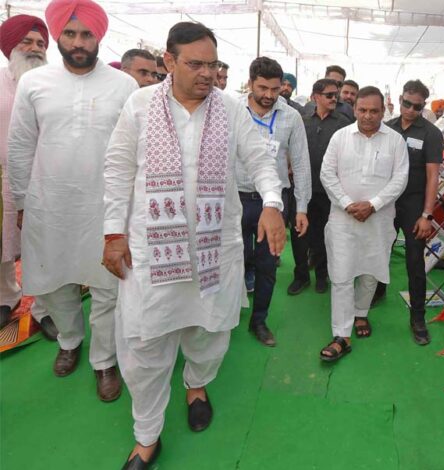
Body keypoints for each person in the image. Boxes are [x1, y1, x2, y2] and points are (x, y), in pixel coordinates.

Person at [102, 22, 285, 468]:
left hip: (214, 252)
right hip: (151, 252)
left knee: (209, 332)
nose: (207, 73)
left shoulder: (230, 109)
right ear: (169, 61)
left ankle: (196, 384)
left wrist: (272, 203)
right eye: (195, 64)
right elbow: (118, 168)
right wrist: (113, 233)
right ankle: (147, 435)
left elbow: (260, 160)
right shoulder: (140, 104)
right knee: (145, 345)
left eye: (213, 64)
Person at [7, 0, 137, 401]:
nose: (78, 42)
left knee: (108, 285)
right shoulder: (34, 83)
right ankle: (69, 340)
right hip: (49, 203)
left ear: (99, 37)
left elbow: (135, 151)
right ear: (58, 35)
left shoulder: (124, 86)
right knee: (54, 279)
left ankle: (104, 360)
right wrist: (23, 201)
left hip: (106, 207)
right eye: (70, 33)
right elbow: (20, 145)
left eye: (86, 34)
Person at [318, 86, 408, 362]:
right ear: (354, 109)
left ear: (383, 112)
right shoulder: (340, 137)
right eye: (363, 110)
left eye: (374, 111)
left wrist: (374, 204)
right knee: (342, 274)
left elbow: (400, 178)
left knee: (371, 271)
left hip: (378, 220)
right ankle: (341, 335)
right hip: (342, 219)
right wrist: (347, 203)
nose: (368, 116)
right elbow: (327, 174)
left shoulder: (395, 140)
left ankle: (361, 314)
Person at [238, 56, 310, 346]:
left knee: (267, 265)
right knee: (233, 260)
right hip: (235, 199)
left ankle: (259, 321)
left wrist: (301, 208)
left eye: (275, 89)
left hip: (273, 204)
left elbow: (301, 164)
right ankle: (225, 315)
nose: (269, 95)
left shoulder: (291, 117)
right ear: (250, 83)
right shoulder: (233, 111)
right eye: (262, 88)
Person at [373, 79, 443, 345]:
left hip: (414, 204)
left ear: (424, 106)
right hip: (386, 201)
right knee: (380, 250)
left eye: (417, 106)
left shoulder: (431, 133)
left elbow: (433, 176)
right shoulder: (387, 127)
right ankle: (377, 291)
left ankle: (418, 318)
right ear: (400, 99)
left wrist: (427, 215)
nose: (410, 110)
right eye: (406, 103)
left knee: (415, 261)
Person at [0, 14, 56, 337]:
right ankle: (5, 297)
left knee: (43, 245)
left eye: (41, 43)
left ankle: (45, 308)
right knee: (2, 239)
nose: (35, 48)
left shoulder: (54, 85)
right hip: (3, 178)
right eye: (27, 42)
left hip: (44, 178)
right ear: (11, 47)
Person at [287, 78, 351, 296]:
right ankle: (301, 276)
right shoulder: (302, 121)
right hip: (301, 189)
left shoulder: (343, 123)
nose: (334, 99)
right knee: (299, 234)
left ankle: (322, 275)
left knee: (325, 234)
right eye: (329, 95)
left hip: (329, 191)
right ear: (315, 97)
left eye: (336, 95)